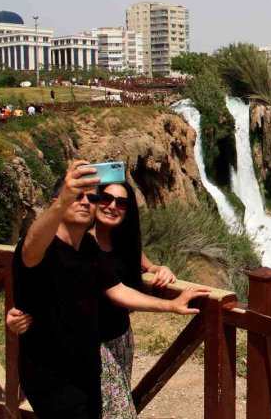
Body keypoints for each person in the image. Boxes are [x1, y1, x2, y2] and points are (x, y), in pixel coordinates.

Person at [11, 161, 209, 419]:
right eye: (77, 196)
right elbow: (30, 246)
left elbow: (118, 290)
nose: (85, 202)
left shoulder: (88, 248)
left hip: (87, 369)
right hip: (52, 374)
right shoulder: (41, 248)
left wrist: (170, 305)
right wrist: (61, 201)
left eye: (92, 198)